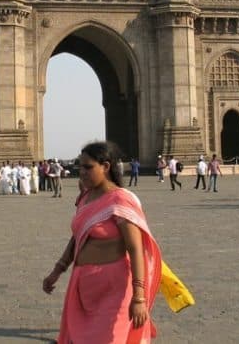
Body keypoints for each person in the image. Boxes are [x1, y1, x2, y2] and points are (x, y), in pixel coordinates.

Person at [42, 141, 163, 343]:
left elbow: (135, 249)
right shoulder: (86, 198)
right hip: (83, 286)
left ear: (106, 167)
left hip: (115, 288)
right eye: (79, 166)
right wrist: (57, 271)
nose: (81, 172)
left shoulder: (121, 200)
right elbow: (78, 237)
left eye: (88, 167)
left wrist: (139, 296)